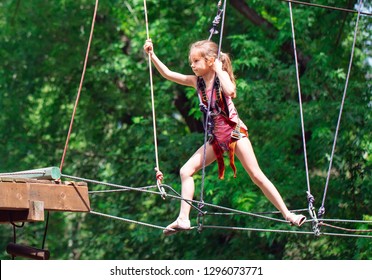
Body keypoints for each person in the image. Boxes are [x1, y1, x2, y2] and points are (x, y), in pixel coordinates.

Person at [144, 39, 306, 235]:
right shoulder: (198, 82)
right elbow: (169, 74)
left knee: (256, 175)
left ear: (210, 61)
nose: (192, 65)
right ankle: (183, 218)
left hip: (235, 132)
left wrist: (219, 69)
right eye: (191, 62)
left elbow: (231, 91)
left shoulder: (221, 79)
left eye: (196, 61)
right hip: (216, 138)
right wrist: (152, 55)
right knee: (186, 171)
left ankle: (288, 214)